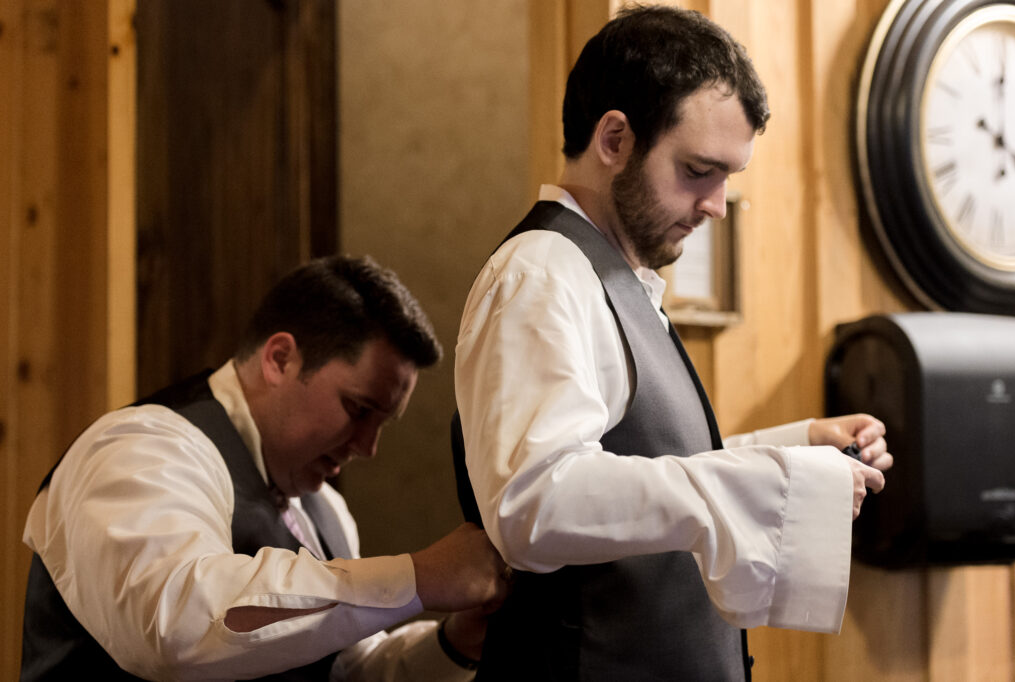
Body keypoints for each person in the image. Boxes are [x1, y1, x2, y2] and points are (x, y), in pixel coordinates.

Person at [452, 6, 893, 680]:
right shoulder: (541, 274)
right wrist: (759, 484)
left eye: (726, 178)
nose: (716, 204)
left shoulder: (615, 276)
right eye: (698, 170)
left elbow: (642, 465)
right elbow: (533, 502)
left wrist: (793, 449)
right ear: (615, 139)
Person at [22, 255, 507, 681]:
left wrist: (456, 641)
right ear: (280, 358)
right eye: (358, 409)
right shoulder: (141, 449)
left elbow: (343, 671)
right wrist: (417, 578)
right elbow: (176, 627)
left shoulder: (326, 511)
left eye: (383, 423)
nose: (368, 447)